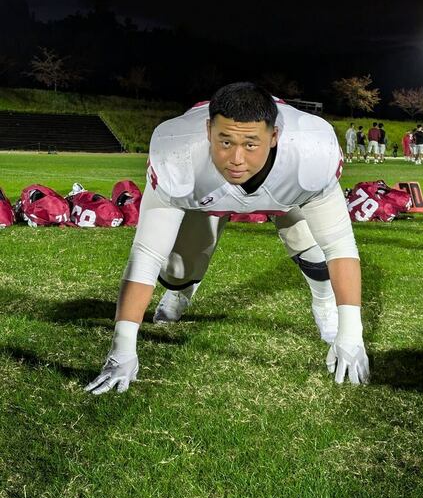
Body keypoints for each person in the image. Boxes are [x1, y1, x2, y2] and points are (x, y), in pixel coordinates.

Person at [84, 83, 369, 394]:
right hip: (207, 196)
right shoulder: (178, 153)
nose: (236, 158)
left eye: (250, 144)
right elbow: (146, 253)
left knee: (312, 244)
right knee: (176, 268)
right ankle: (181, 292)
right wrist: (122, 347)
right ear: (208, 131)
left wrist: (351, 334)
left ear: (274, 137)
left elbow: (340, 246)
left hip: (287, 192)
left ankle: (323, 300)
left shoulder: (310, 150)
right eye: (225, 141)